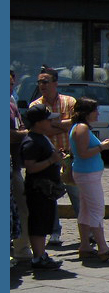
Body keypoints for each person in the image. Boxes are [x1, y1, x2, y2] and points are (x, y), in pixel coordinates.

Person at [30, 67, 78, 246]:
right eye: (39, 82)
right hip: (49, 158)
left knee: (76, 194)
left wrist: (53, 123)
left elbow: (75, 122)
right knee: (50, 197)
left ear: (55, 83)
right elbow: (40, 130)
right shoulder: (36, 106)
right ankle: (54, 232)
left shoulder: (69, 102)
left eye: (45, 81)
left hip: (69, 155)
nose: (42, 85)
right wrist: (60, 125)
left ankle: (85, 230)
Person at [69, 97, 109, 260]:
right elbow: (84, 153)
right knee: (97, 210)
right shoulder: (82, 128)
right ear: (87, 112)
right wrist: (102, 146)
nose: (98, 113)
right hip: (87, 174)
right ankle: (103, 248)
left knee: (85, 210)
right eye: (95, 110)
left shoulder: (79, 127)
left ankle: (85, 245)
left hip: (85, 173)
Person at [19, 104, 65, 270]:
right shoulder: (31, 141)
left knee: (44, 221)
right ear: (38, 122)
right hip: (38, 188)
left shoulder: (42, 137)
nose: (50, 122)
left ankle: (42, 254)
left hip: (46, 188)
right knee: (38, 223)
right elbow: (30, 167)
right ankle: (38, 257)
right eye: (47, 119)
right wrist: (51, 160)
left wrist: (56, 157)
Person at [10, 70, 32, 263]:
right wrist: (24, 132)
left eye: (11, 84)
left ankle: (22, 249)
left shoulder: (12, 103)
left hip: (15, 165)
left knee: (21, 208)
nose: (10, 88)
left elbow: (18, 127)